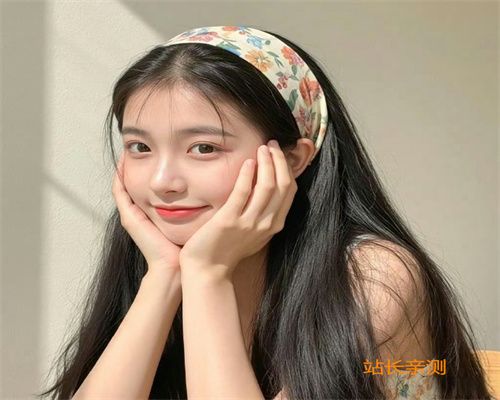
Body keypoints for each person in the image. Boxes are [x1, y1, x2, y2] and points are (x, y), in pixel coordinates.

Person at [36, 25, 493, 399]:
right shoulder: (159, 259)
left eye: (204, 148)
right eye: (140, 147)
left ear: (293, 159)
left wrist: (208, 275)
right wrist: (164, 277)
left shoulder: (373, 275)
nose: (161, 182)